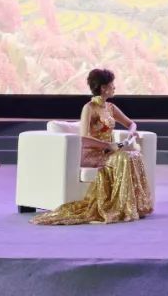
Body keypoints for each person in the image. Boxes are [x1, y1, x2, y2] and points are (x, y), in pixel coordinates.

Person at [32, 68, 153, 225]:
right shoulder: (89, 108)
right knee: (123, 158)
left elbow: (131, 123)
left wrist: (131, 134)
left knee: (134, 155)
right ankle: (119, 207)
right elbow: (83, 138)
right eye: (112, 84)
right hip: (91, 154)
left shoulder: (110, 107)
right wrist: (109, 145)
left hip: (108, 152)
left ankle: (131, 206)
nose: (114, 87)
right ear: (103, 88)